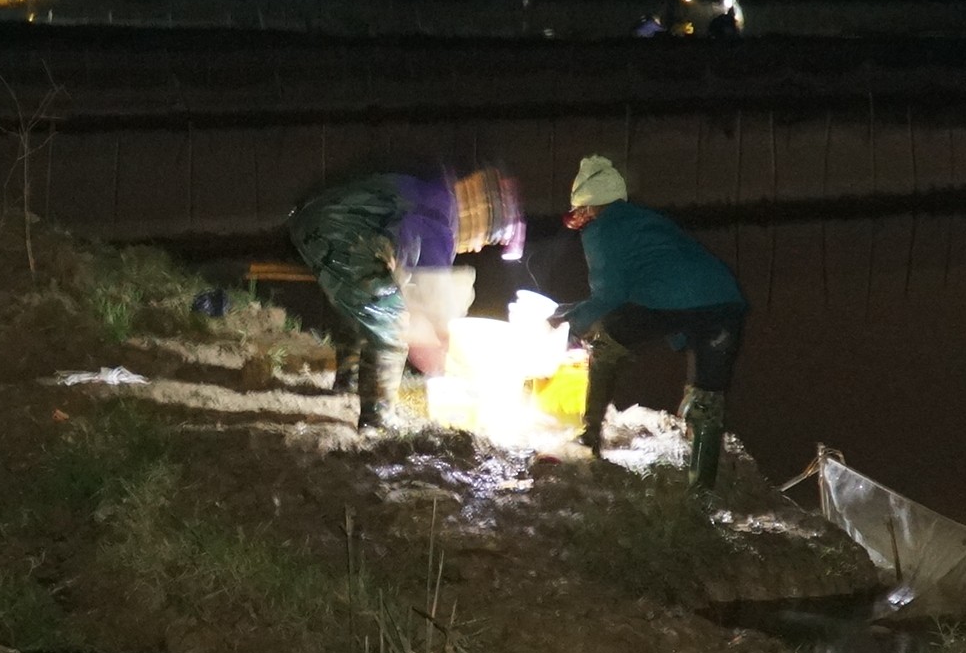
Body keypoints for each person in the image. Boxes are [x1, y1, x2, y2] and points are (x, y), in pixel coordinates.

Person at [553, 153, 748, 492]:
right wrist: (572, 310)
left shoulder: (600, 229)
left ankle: (589, 435)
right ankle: (701, 495)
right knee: (707, 404)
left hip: (673, 305)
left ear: (588, 207)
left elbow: (609, 296)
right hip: (725, 305)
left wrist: (566, 328)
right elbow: (654, 275)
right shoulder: (643, 218)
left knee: (604, 340)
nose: (580, 221)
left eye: (579, 213)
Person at [286, 165, 524, 429]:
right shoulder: (439, 222)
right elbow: (430, 307)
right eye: (485, 238)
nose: (478, 246)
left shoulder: (433, 197)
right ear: (481, 216)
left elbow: (408, 277)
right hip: (341, 230)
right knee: (389, 325)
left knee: (365, 304)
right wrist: (455, 362)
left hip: (312, 221)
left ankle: (347, 381)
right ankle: (377, 420)